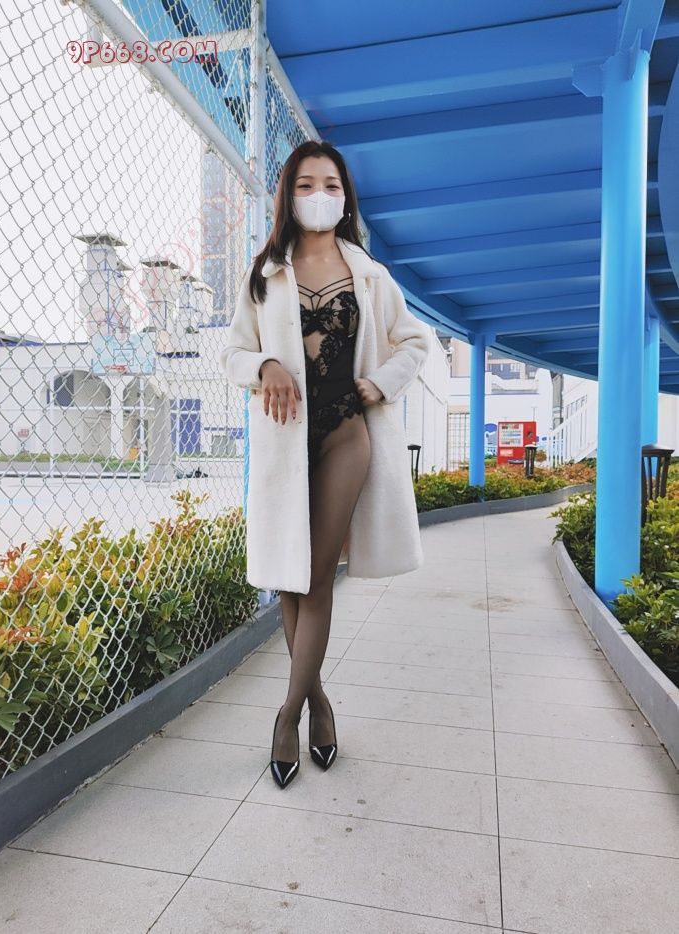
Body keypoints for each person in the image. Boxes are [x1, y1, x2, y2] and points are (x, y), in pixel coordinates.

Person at [220, 140, 430, 789]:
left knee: (314, 578)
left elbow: (416, 341)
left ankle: (286, 717)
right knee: (290, 579)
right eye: (306, 184)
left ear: (346, 197)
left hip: (345, 433)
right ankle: (318, 702)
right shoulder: (263, 274)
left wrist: (381, 383)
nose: (320, 194)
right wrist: (265, 365)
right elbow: (232, 352)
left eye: (331, 185)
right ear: (288, 196)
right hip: (285, 443)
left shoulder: (369, 274)